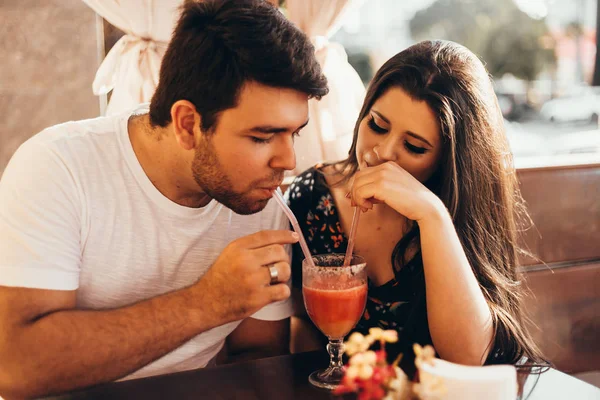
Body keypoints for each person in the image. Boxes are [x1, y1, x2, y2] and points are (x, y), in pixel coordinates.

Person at [0, 0, 328, 398]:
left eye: (294, 133)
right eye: (261, 137)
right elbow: (14, 366)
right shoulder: (58, 168)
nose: (287, 161)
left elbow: (256, 352)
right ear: (188, 124)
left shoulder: (258, 195)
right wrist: (207, 302)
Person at [287, 40, 545, 372]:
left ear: (448, 162)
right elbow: (302, 338)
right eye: (377, 125)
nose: (382, 152)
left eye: (413, 146)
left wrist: (432, 216)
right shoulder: (313, 199)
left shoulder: (458, 210)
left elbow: (468, 358)